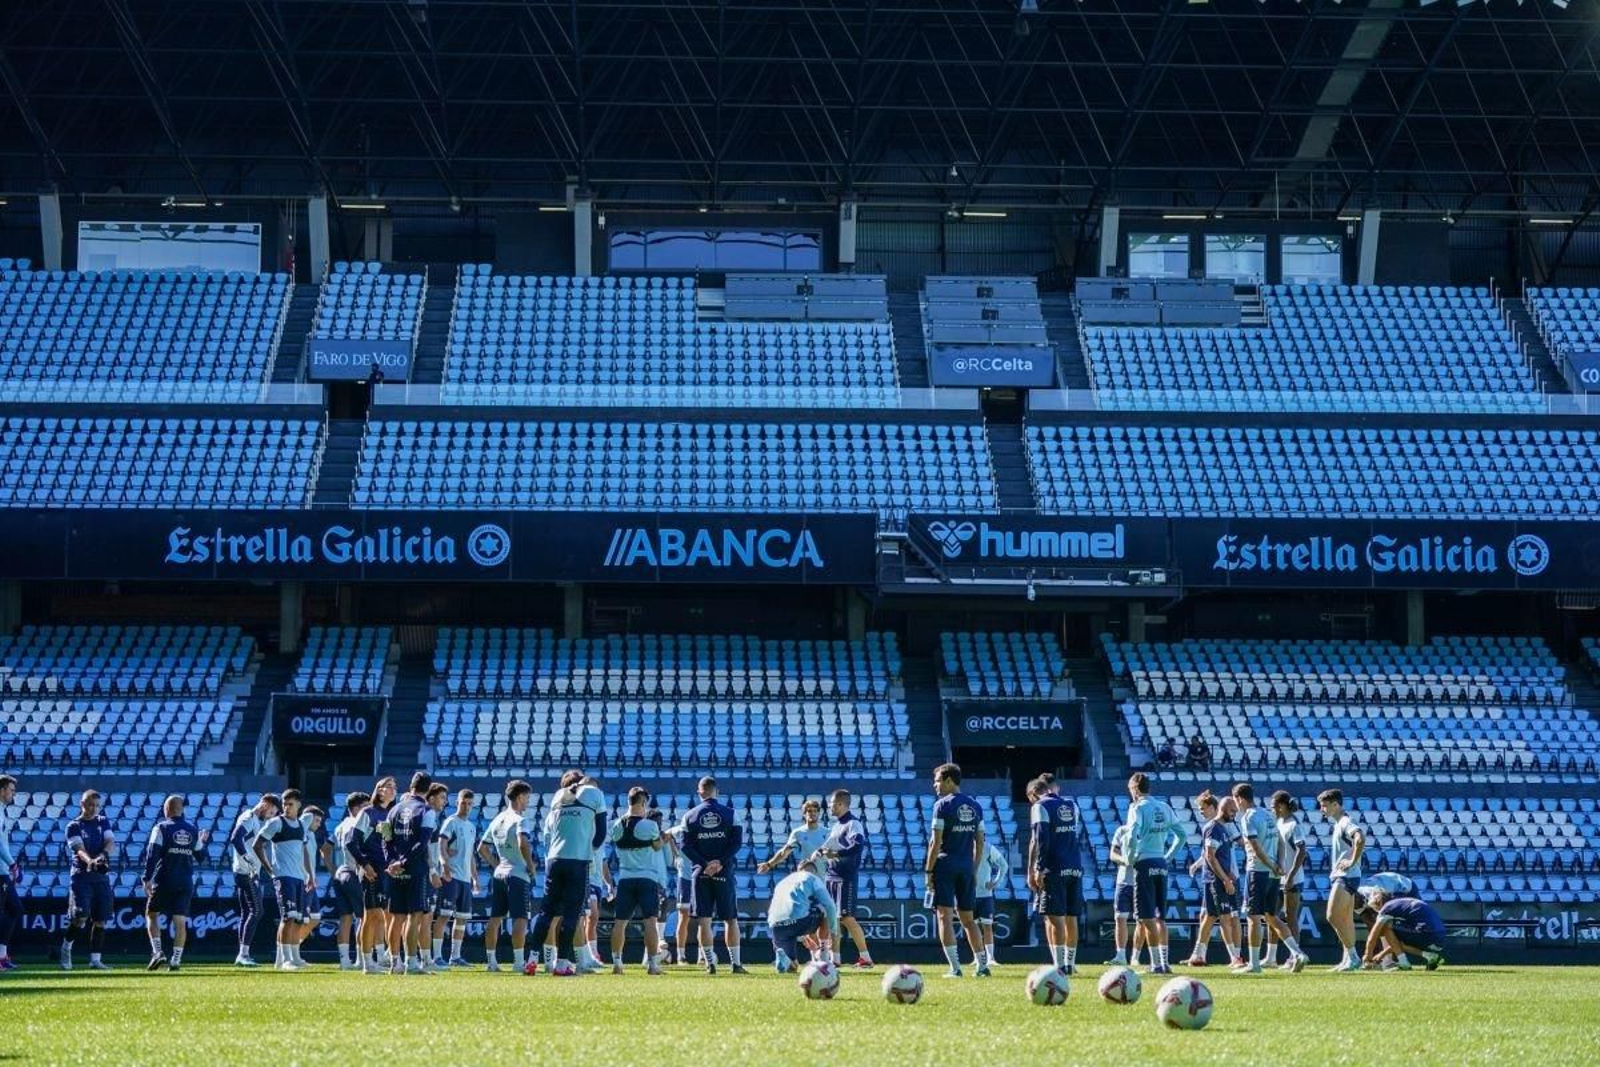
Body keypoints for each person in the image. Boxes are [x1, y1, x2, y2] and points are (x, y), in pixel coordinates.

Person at [531, 770, 607, 975]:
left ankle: (532, 960)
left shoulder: (558, 798)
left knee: (547, 912)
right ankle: (563, 963)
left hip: (554, 861)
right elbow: (601, 834)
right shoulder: (593, 795)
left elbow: (548, 836)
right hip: (578, 860)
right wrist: (588, 851)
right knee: (572, 915)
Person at [1230, 782, 1306, 975]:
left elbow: (1255, 847)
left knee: (1253, 918)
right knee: (1271, 917)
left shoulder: (1248, 817)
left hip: (1258, 871)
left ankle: (1254, 964)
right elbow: (1280, 841)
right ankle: (1297, 953)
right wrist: (1278, 864)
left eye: (1235, 801)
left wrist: (1272, 865)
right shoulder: (1268, 815)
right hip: (1273, 874)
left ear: (1240, 799)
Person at [925, 762, 987, 979]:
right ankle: (982, 966)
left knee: (944, 916)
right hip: (966, 867)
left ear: (949, 780)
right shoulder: (975, 806)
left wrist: (928, 871)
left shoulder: (942, 805)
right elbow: (980, 842)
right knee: (969, 919)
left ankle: (955, 968)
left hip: (946, 865)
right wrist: (974, 867)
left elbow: (935, 841)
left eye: (938, 780)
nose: (935, 785)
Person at [680, 775, 746, 974]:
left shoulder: (689, 816)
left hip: (700, 873)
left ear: (699, 792)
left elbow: (684, 846)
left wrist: (704, 863)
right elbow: (736, 844)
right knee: (730, 919)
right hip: (724, 871)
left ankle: (710, 964)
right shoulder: (731, 814)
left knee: (704, 920)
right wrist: (719, 862)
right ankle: (735, 964)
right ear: (716, 791)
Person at [1123, 772, 1184, 975]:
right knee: (1160, 918)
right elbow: (1182, 835)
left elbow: (1132, 834)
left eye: (1131, 790)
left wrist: (1130, 858)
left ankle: (1157, 964)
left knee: (1147, 917)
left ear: (1136, 789)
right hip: (1160, 862)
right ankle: (1164, 962)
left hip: (1145, 862)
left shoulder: (1137, 807)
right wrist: (1167, 857)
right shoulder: (1164, 807)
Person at [141, 794, 210, 972]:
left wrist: (146, 878)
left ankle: (157, 952)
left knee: (151, 914)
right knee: (180, 921)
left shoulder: (161, 828)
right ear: (182, 810)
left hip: (164, 879)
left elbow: (152, 854)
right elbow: (202, 857)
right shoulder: (192, 830)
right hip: (185, 882)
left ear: (166, 809)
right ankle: (176, 960)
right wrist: (202, 842)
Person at [385, 772, 441, 974]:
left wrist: (392, 862)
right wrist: (403, 862)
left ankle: (394, 963)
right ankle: (411, 963)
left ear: (411, 786)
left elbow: (386, 840)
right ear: (428, 789)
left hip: (395, 870)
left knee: (396, 917)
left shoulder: (394, 810)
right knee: (414, 916)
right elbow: (422, 842)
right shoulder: (427, 811)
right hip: (415, 869)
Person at [254, 787, 315, 971]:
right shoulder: (276, 823)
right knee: (287, 917)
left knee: (297, 919)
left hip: (298, 877)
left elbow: (304, 850)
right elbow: (258, 844)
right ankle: (282, 960)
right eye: (284, 804)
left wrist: (309, 874)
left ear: (298, 805)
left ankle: (294, 957)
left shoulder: (302, 826)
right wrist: (269, 868)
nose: (286, 808)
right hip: (283, 876)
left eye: (290, 804)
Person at [1028, 773, 1083, 975]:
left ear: (1034, 793)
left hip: (1055, 867)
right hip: (1075, 866)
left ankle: (1059, 966)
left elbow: (1042, 839)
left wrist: (1038, 868)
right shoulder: (1071, 805)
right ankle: (1070, 963)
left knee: (1054, 918)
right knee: (1071, 917)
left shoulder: (1040, 807)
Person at [480, 779, 537, 973]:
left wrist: (497, 865)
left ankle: (491, 962)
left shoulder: (497, 819)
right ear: (520, 797)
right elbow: (523, 843)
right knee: (520, 918)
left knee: (495, 919)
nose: (528, 801)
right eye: (527, 797)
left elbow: (482, 849)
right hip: (517, 874)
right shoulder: (520, 820)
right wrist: (530, 866)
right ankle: (518, 962)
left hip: (500, 873)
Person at [607, 786, 664, 975]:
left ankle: (617, 963)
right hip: (647, 878)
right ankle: (653, 965)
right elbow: (657, 847)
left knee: (620, 922)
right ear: (643, 802)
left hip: (625, 878)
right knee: (650, 922)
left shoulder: (616, 825)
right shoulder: (650, 826)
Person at [815, 789, 873, 969]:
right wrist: (819, 852)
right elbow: (827, 846)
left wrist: (836, 853)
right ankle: (836, 958)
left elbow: (858, 845)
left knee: (847, 918)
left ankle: (866, 958)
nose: (829, 806)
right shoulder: (837, 825)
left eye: (832, 803)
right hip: (832, 876)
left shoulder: (853, 823)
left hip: (845, 877)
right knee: (834, 918)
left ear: (841, 804)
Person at [1185, 791, 1242, 968]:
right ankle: (1235, 958)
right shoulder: (1214, 828)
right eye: (1232, 811)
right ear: (1222, 809)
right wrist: (1225, 879)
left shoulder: (1223, 828)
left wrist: (1229, 875)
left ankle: (1198, 955)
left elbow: (1219, 853)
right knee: (1224, 917)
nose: (1234, 815)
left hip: (1223, 877)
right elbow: (1210, 856)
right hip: (1216, 879)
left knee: (1211, 916)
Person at [60, 789, 116, 971]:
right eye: (90, 805)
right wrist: (90, 861)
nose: (94, 809)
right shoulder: (73, 825)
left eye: (97, 805)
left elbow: (110, 842)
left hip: (100, 877)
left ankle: (95, 959)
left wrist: (102, 856)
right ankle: (66, 948)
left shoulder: (103, 821)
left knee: (101, 919)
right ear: (82, 804)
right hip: (81, 876)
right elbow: (78, 849)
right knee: (80, 918)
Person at [227, 792, 280, 968]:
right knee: (257, 911)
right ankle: (243, 954)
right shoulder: (249, 817)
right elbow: (235, 837)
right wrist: (247, 858)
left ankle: (242, 954)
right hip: (245, 872)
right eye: (272, 811)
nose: (271, 816)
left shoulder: (257, 821)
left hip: (248, 871)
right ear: (265, 804)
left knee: (247, 913)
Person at [1318, 788, 1366, 973]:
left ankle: (1353, 957)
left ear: (1336, 805)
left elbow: (1360, 839)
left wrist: (1352, 861)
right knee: (1346, 920)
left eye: (1324, 806)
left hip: (1346, 876)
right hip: (1347, 876)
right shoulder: (1340, 823)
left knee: (1332, 916)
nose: (1322, 810)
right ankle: (1348, 959)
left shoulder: (1345, 821)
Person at [766, 859, 840, 975]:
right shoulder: (812, 878)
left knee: (793, 968)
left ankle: (785, 960)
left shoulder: (783, 881)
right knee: (823, 909)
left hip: (776, 924)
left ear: (798, 870)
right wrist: (833, 931)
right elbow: (830, 905)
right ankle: (823, 955)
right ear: (814, 871)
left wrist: (801, 934)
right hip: (799, 921)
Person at [432, 788, 478, 968]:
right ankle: (436, 956)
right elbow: (441, 846)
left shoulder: (471, 827)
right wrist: (444, 865)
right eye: (463, 803)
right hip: (451, 877)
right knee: (444, 916)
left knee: (462, 918)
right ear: (457, 803)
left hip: (465, 879)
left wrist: (475, 877)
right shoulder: (450, 822)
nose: (466, 807)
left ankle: (455, 956)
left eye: (469, 804)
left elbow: (471, 855)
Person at [357, 776, 397, 969]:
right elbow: (351, 841)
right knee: (370, 915)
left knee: (384, 916)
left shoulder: (389, 814)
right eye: (389, 786)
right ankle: (366, 963)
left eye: (394, 787)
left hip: (385, 871)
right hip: (370, 869)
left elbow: (388, 844)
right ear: (379, 790)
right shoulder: (368, 812)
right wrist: (364, 865)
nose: (393, 789)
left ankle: (382, 958)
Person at [330, 791, 372, 971]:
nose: (368, 810)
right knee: (364, 918)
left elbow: (325, 848)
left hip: (341, 872)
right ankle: (362, 960)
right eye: (365, 806)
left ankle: (345, 960)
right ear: (356, 808)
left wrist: (333, 869)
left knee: (345, 918)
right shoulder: (356, 823)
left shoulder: (340, 825)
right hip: (354, 872)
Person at [1267, 791, 1308, 969]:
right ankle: (1271, 956)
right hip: (1278, 877)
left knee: (1291, 918)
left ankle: (1294, 957)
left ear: (1282, 806)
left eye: (1274, 806)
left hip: (1292, 879)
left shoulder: (1293, 824)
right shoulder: (1279, 823)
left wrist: (1290, 875)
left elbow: (1301, 850)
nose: (1272, 810)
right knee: (1271, 916)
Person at [1362, 888, 1446, 971]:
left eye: (1375, 909)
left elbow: (1373, 936)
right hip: (1440, 939)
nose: (1377, 912)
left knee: (1386, 927)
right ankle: (1430, 956)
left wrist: (1367, 955)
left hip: (1427, 933)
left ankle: (1404, 963)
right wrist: (1382, 954)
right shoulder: (1402, 904)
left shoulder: (1387, 908)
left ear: (1379, 902)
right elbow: (1397, 943)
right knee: (1395, 933)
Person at [1104, 821, 1145, 967]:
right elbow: (1113, 854)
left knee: (1142, 920)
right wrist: (1125, 861)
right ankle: (1120, 955)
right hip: (1123, 882)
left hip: (1142, 881)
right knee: (1120, 918)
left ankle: (1135, 956)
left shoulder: (1147, 831)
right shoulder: (1122, 831)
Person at [296, 805, 331, 960]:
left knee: (315, 918)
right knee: (300, 919)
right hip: (302, 881)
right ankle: (288, 952)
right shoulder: (301, 830)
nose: (318, 824)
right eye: (316, 820)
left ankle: (293, 946)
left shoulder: (311, 835)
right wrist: (309, 875)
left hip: (310, 881)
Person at [757, 798, 827, 875]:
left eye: (815, 811)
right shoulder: (798, 833)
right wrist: (769, 864)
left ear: (819, 813)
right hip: (806, 876)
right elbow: (784, 853)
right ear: (804, 814)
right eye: (809, 811)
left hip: (825, 877)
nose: (812, 813)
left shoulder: (827, 832)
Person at [667, 822, 696, 966]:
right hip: (685, 878)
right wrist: (676, 855)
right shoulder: (681, 829)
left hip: (700, 877)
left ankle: (703, 956)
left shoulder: (704, 830)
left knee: (704, 918)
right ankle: (681, 956)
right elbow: (667, 834)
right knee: (683, 917)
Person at [0, 774, 20, 972]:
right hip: (1, 871)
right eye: (11, 790)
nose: (13, 794)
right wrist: (13, 864)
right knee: (13, 909)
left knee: (14, 909)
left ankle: (2, 955)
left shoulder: (2, 811)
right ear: (2, 790)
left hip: (3, 869)